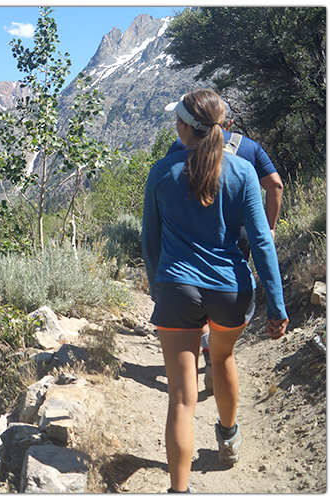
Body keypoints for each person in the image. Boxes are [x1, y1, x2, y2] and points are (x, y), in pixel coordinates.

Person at [142, 89, 288, 493]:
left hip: (176, 288)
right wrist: (276, 304)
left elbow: (150, 244)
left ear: (186, 127)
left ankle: (179, 490)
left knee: (181, 398)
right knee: (222, 358)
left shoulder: (161, 172)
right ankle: (228, 437)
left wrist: (160, 292)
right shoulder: (241, 172)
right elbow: (261, 242)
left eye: (178, 119)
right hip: (230, 289)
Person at [165, 101, 285, 393]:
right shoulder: (249, 149)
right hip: (242, 233)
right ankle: (217, 354)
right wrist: (268, 227)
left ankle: (206, 349)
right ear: (225, 123)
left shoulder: (179, 149)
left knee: (199, 287)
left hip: (194, 246)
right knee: (225, 284)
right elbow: (276, 185)